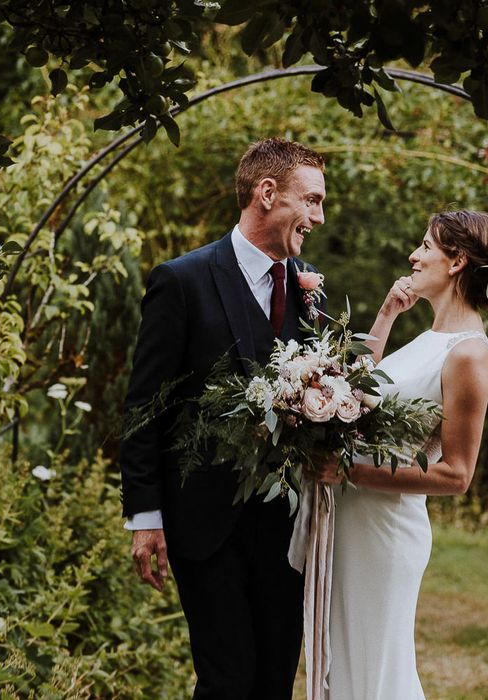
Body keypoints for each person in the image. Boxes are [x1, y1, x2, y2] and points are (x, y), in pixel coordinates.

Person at [120, 138, 327, 699]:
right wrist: (145, 516)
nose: (318, 217)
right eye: (310, 201)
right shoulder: (181, 281)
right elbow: (145, 407)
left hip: (286, 530)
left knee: (273, 681)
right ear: (267, 194)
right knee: (226, 681)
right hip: (204, 524)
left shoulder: (308, 285)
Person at [316, 210, 488, 699]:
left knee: (381, 671)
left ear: (456, 262)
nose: (414, 254)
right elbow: (356, 396)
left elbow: (456, 475)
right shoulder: (429, 338)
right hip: (355, 519)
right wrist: (386, 315)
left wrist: (351, 472)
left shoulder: (469, 354)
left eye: (426, 246)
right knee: (347, 665)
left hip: (387, 528)